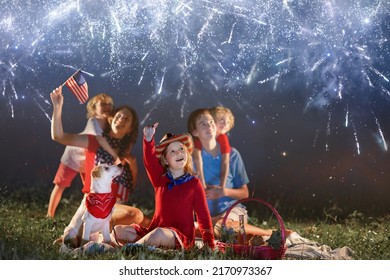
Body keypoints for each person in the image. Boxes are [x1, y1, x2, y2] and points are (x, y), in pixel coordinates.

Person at [50, 86, 143, 226]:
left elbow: (130, 186)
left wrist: (134, 169)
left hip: (117, 206)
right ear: (111, 119)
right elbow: (59, 136)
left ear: (130, 128)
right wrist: (57, 106)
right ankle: (81, 231)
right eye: (119, 115)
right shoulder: (95, 140)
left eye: (127, 118)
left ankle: (94, 235)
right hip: (96, 204)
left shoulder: (125, 150)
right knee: (135, 216)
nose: (121, 119)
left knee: (141, 220)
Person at [112, 123, 215, 250]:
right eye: (172, 151)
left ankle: (125, 251)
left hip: (179, 237)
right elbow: (149, 161)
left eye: (181, 149)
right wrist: (148, 140)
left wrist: (209, 243)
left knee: (159, 234)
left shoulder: (194, 183)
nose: (178, 153)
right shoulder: (160, 179)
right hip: (156, 230)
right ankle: (146, 245)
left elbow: (203, 215)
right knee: (118, 230)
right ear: (165, 160)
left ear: (187, 154)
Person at [188, 108, 276, 238]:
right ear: (195, 132)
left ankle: (273, 234)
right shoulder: (190, 159)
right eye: (203, 124)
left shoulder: (233, 155)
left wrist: (224, 192)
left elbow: (244, 193)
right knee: (196, 228)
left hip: (233, 211)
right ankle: (238, 235)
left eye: (211, 122)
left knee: (225, 226)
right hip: (206, 216)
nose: (210, 126)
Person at [47, 93, 121, 218]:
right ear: (93, 109)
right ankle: (49, 215)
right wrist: (115, 155)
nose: (107, 106)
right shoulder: (93, 121)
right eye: (103, 104)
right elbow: (98, 139)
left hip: (90, 159)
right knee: (60, 185)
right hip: (73, 156)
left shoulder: (108, 125)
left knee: (90, 188)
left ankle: (86, 216)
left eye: (109, 104)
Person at [192, 106, 235, 190]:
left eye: (228, 122)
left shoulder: (223, 138)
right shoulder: (199, 138)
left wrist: (222, 186)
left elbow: (225, 162)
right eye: (222, 120)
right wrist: (202, 183)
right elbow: (197, 158)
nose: (225, 124)